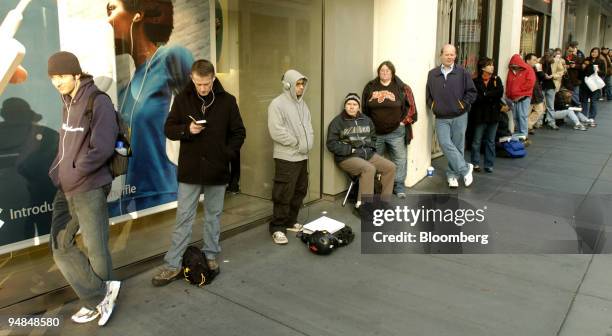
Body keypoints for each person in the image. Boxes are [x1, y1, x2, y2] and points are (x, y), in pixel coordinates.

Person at [152, 60, 245, 286]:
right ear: (192, 79)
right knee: (184, 217)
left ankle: (210, 255)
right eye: (198, 83)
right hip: (191, 170)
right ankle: (173, 264)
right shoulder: (183, 99)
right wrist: (187, 130)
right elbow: (168, 129)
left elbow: (239, 133)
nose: (202, 88)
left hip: (217, 167)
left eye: (206, 83)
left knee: (213, 215)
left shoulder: (228, 101)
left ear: (213, 78)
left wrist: (226, 154)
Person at [46, 52, 121, 326]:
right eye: (53, 78)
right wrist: (58, 171)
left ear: (76, 74)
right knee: (60, 245)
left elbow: (101, 148)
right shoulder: (67, 99)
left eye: (62, 76)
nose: (57, 83)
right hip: (66, 187)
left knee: (96, 247)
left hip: (89, 186)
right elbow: (66, 143)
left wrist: (75, 172)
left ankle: (99, 303)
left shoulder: (97, 101)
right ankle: (99, 296)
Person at [107, 0, 194, 214]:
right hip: (131, 196)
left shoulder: (171, 57)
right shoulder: (126, 90)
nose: (107, 20)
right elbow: (126, 143)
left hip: (164, 191)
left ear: (137, 15)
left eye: (112, 10)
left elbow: (201, 113)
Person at [326, 93, 396, 212]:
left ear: (359, 107)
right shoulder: (337, 122)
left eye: (354, 104)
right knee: (368, 169)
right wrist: (350, 149)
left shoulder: (367, 120)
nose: (351, 107)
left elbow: (373, 138)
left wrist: (370, 149)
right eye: (348, 104)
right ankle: (362, 205)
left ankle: (383, 202)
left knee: (390, 167)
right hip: (347, 157)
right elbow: (331, 144)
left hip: (366, 154)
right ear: (345, 106)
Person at [267, 69, 314, 245]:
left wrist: (309, 142)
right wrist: (298, 143)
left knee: (300, 189)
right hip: (286, 157)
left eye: (303, 84)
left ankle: (289, 221)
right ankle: (277, 228)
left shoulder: (303, 105)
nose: (301, 87)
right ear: (288, 85)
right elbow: (276, 132)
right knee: (283, 192)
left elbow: (309, 126)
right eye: (298, 84)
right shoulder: (277, 104)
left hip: (302, 156)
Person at [362, 61, 418, 198]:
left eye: (388, 70)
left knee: (400, 159)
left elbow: (412, 108)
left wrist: (403, 122)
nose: (385, 73)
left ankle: (398, 186)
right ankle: (376, 187)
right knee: (374, 159)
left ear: (392, 73)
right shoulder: (370, 87)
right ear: (378, 72)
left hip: (396, 132)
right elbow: (364, 108)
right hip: (375, 132)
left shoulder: (402, 87)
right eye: (382, 70)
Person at [426, 44, 477, 189]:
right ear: (441, 55)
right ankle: (466, 169)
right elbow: (428, 95)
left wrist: (463, 105)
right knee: (444, 143)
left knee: (458, 146)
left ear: (455, 56)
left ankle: (452, 175)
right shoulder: (433, 74)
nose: (449, 57)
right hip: (441, 116)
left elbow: (472, 92)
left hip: (460, 115)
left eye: (452, 54)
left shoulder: (463, 72)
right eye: (447, 54)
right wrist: (434, 106)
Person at [469, 57, 503, 173]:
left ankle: (489, 164)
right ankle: (475, 163)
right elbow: (476, 98)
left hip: (493, 115)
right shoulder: (475, 81)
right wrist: (489, 95)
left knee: (491, 141)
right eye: (489, 64)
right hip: (480, 115)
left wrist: (485, 94)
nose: (492, 67)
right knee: (476, 141)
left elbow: (499, 93)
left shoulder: (496, 79)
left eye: (492, 64)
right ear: (483, 68)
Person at [506, 54, 536, 137]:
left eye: (515, 65)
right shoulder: (511, 71)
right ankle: (519, 133)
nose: (514, 67)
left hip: (524, 97)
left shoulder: (528, 69)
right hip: (513, 97)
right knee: (516, 116)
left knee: (522, 115)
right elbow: (508, 83)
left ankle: (523, 134)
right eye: (512, 65)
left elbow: (530, 83)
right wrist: (508, 94)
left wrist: (519, 92)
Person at [580, 47, 605, 126]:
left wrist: (598, 71)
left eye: (596, 52)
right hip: (586, 84)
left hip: (594, 84)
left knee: (593, 101)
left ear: (598, 53)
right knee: (584, 101)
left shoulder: (601, 62)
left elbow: (604, 73)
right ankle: (584, 116)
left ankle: (592, 117)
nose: (594, 53)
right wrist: (583, 66)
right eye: (592, 52)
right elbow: (582, 71)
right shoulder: (587, 60)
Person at [524, 54, 546, 132]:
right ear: (527, 61)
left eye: (537, 60)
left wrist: (539, 69)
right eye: (534, 60)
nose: (536, 61)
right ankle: (525, 126)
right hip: (528, 93)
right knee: (526, 112)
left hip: (537, 91)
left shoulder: (536, 68)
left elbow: (543, 77)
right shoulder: (524, 69)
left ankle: (527, 125)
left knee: (540, 110)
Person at [540, 51, 560, 130]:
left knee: (550, 105)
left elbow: (561, 72)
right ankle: (539, 122)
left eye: (550, 55)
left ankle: (551, 122)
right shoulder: (540, 61)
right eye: (547, 55)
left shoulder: (556, 62)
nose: (548, 57)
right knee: (540, 105)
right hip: (541, 85)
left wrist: (553, 76)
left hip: (551, 84)